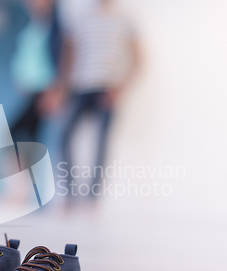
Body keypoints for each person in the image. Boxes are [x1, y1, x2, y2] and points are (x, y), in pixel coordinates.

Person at [44, 0, 141, 204]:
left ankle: (92, 200)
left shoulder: (125, 18)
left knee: (101, 144)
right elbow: (70, 54)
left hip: (108, 88)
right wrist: (62, 88)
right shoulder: (82, 16)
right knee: (63, 137)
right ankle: (69, 195)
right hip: (80, 87)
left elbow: (138, 58)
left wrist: (121, 88)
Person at [10, 0, 62, 143]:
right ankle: (22, 163)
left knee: (16, 132)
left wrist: (55, 88)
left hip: (44, 88)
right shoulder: (31, 26)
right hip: (32, 88)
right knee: (23, 134)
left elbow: (58, 58)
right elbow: (25, 56)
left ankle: (22, 163)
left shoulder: (54, 27)